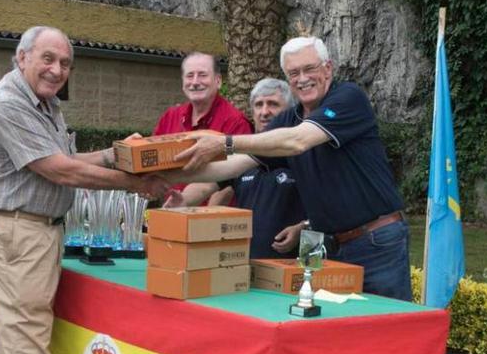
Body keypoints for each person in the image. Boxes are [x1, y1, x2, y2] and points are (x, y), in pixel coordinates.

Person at [0, 26, 167, 354]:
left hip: (27, 229)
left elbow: (70, 159)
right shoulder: (8, 103)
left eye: (64, 63)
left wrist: (119, 155)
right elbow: (60, 170)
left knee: (16, 334)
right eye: (47, 59)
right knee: (28, 341)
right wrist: (133, 183)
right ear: (22, 58)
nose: (57, 70)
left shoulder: (43, 104)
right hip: (19, 231)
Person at [170, 37, 411, 301]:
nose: (303, 78)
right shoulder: (289, 118)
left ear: (328, 69)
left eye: (310, 69)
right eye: (293, 73)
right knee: (338, 333)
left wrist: (225, 142)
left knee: (389, 327)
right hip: (329, 246)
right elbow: (234, 165)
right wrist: (166, 174)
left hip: (376, 241)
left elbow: (298, 141)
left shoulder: (348, 98)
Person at [164, 78, 306, 258]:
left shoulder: (302, 152)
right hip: (243, 264)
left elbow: (326, 205)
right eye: (258, 105)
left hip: (290, 268)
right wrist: (183, 200)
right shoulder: (240, 155)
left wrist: (302, 227)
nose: (264, 112)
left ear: (289, 111)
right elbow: (207, 184)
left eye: (273, 104)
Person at [153, 52, 252, 205]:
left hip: (211, 220)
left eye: (202, 75)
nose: (195, 82)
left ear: (218, 81)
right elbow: (152, 160)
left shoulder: (236, 122)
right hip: (171, 211)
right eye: (189, 75)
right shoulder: (171, 116)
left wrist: (205, 218)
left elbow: (235, 178)